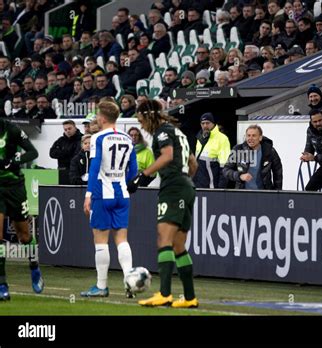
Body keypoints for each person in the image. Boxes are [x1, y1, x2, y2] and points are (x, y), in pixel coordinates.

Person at [127, 99, 199, 309]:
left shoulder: (162, 132)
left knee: (164, 240)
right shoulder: (178, 133)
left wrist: (143, 175)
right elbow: (193, 163)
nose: (141, 125)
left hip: (174, 188)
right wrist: (185, 181)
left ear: (149, 116)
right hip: (186, 187)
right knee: (179, 246)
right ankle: (189, 297)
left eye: (141, 119)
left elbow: (167, 156)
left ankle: (165, 294)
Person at [81, 101, 138, 298]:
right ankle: (129, 282)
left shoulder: (97, 138)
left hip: (102, 195)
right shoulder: (127, 138)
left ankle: (101, 286)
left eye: (97, 115)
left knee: (101, 241)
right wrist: (123, 182)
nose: (96, 118)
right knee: (122, 239)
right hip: (122, 194)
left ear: (103, 118)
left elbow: (94, 167)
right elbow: (135, 170)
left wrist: (88, 195)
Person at [0, 118, 44, 301]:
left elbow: (33, 152)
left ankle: (34, 266)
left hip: (15, 187)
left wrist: (12, 162)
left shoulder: (12, 129)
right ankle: (2, 284)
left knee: (24, 236)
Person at [223, 125, 283, 190]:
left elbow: (278, 173)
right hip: (242, 193)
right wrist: (240, 176)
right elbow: (226, 170)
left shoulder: (269, 151)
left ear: (260, 138)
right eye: (248, 135)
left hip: (264, 193)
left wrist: (277, 193)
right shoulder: (238, 149)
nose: (250, 138)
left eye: (254, 135)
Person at [194, 113, 231, 189]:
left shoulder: (222, 139)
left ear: (213, 124)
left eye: (208, 123)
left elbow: (224, 167)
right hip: (198, 183)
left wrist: (221, 188)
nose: (205, 126)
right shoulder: (200, 137)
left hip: (212, 186)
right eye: (203, 123)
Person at [49, 120, 83, 184]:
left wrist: (61, 154)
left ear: (75, 128)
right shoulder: (60, 140)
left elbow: (76, 156)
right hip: (62, 171)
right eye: (65, 129)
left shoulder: (81, 139)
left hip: (77, 172)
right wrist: (66, 152)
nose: (68, 131)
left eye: (69, 128)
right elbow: (52, 153)